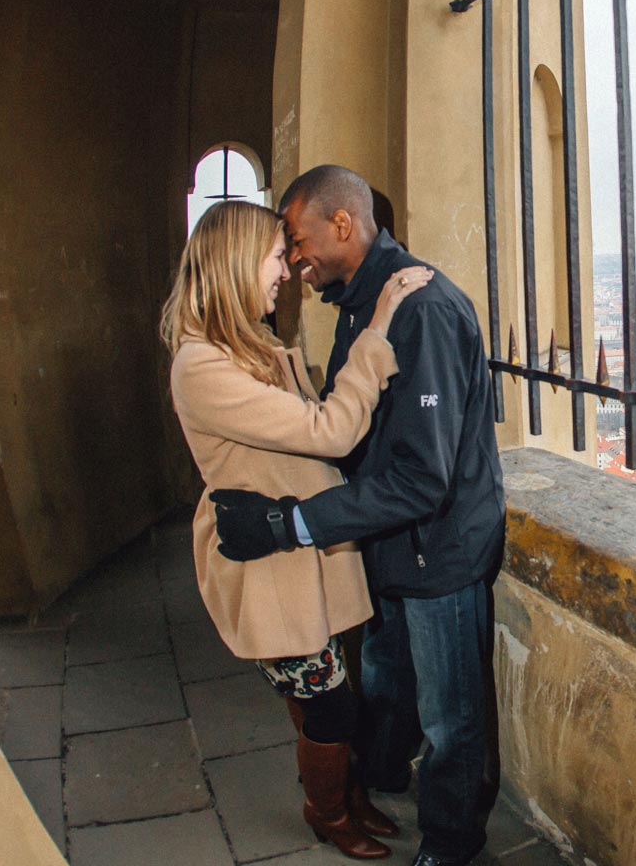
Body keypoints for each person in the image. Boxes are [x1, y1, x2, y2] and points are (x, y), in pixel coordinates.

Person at [210, 165, 505, 866]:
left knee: (452, 719)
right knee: (387, 685)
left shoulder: (423, 310)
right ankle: (378, 779)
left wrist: (292, 523)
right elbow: (349, 427)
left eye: (297, 238)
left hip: (439, 553)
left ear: (342, 224)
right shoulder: (362, 304)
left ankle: (452, 844)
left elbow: (420, 479)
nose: (294, 259)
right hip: (388, 549)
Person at [161, 199, 433, 861]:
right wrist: (381, 323)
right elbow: (330, 431)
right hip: (270, 562)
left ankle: (347, 792)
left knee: (324, 691)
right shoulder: (201, 365)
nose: (287, 270)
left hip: (310, 549)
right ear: (236, 264)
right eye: (277, 257)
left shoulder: (250, 347)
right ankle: (327, 811)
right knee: (333, 705)